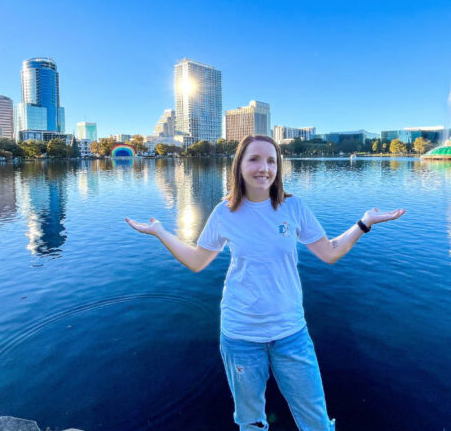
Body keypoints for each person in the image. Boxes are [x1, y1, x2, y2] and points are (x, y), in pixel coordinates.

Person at [126, 135, 405, 431]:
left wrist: (364, 223)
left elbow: (330, 252)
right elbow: (197, 261)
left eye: (271, 160)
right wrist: (160, 232)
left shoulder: (293, 207)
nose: (264, 168)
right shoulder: (225, 212)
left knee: (316, 423)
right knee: (251, 423)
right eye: (255, 159)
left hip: (291, 333)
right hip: (240, 335)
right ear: (240, 166)